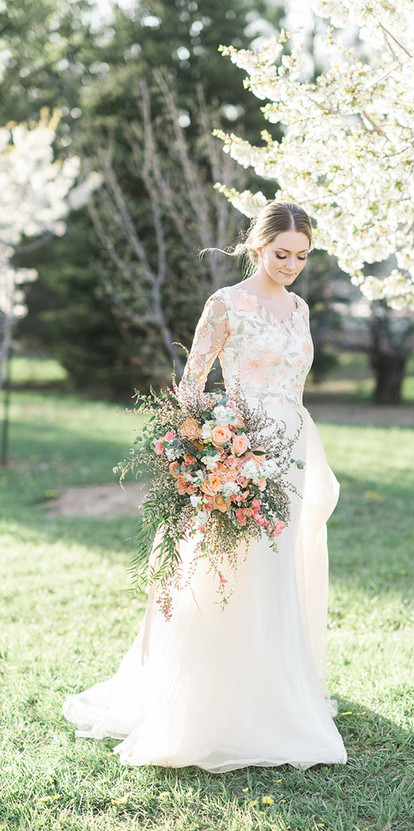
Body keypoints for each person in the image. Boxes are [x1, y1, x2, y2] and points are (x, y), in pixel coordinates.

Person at [62, 200, 347, 772]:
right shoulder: (227, 304)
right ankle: (217, 703)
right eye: (281, 253)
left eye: (302, 256)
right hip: (241, 449)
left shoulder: (300, 308)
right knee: (234, 570)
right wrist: (210, 450)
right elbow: (192, 385)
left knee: (283, 569)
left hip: (293, 449)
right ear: (257, 246)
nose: (291, 265)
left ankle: (276, 689)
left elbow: (294, 385)